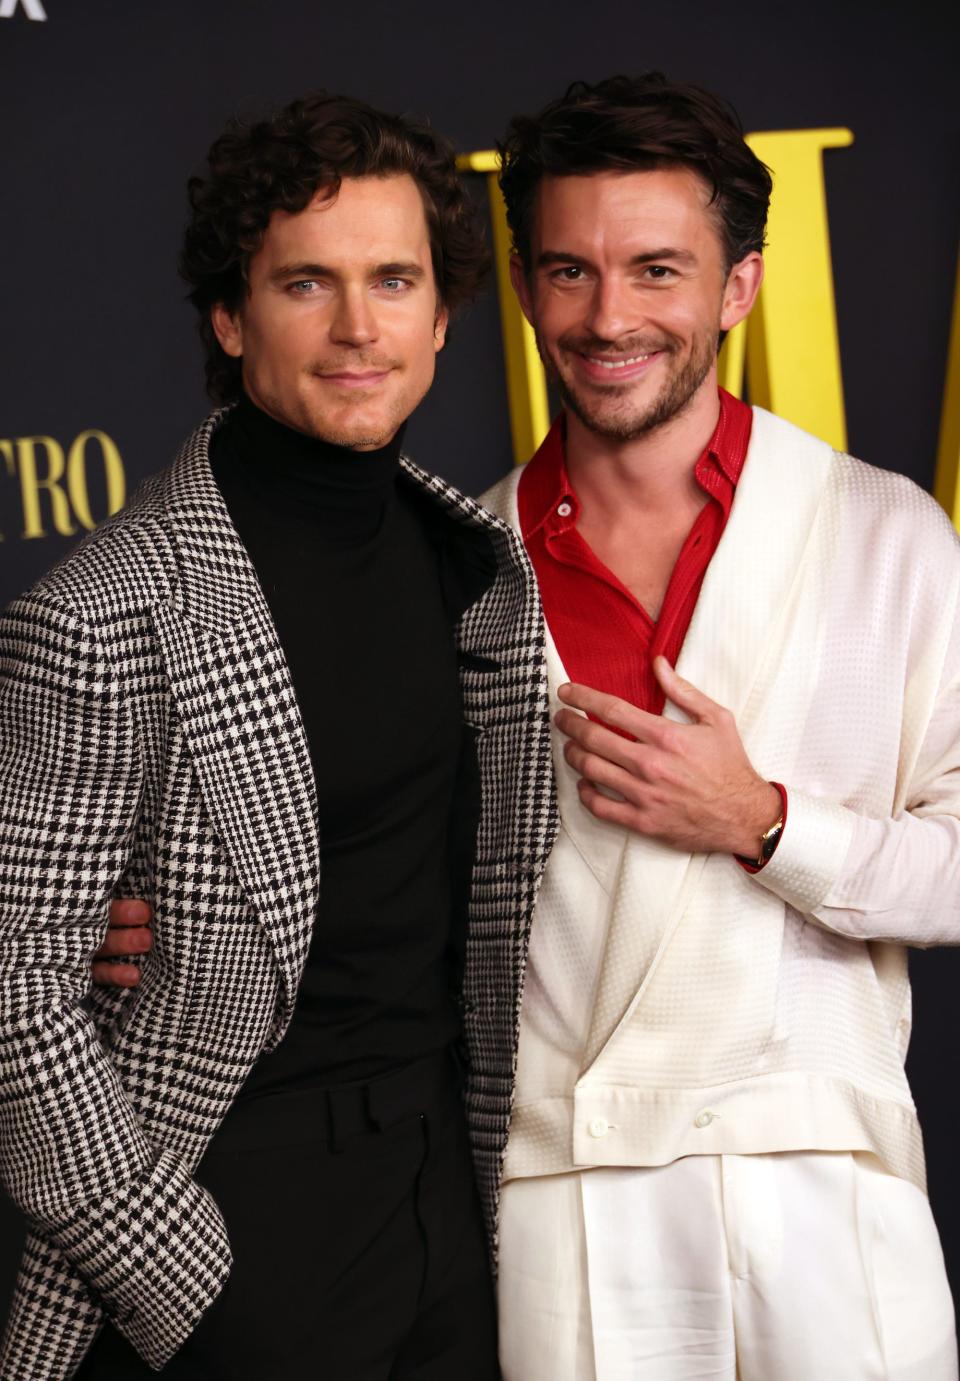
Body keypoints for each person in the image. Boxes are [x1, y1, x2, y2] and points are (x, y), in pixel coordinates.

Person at [0, 91, 558, 1381]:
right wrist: (176, 1273)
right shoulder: (108, 611)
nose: (359, 328)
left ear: (442, 315)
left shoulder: (474, 560)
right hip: (232, 1221)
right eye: (308, 283)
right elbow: (16, 992)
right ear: (229, 315)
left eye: (395, 280)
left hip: (445, 1201)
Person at [474, 74, 960, 1380]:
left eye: (657, 269)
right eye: (570, 271)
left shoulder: (887, 531)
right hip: (560, 1190)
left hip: (825, 1184)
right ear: (525, 286)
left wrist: (765, 821)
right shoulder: (455, 564)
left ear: (740, 285)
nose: (610, 317)